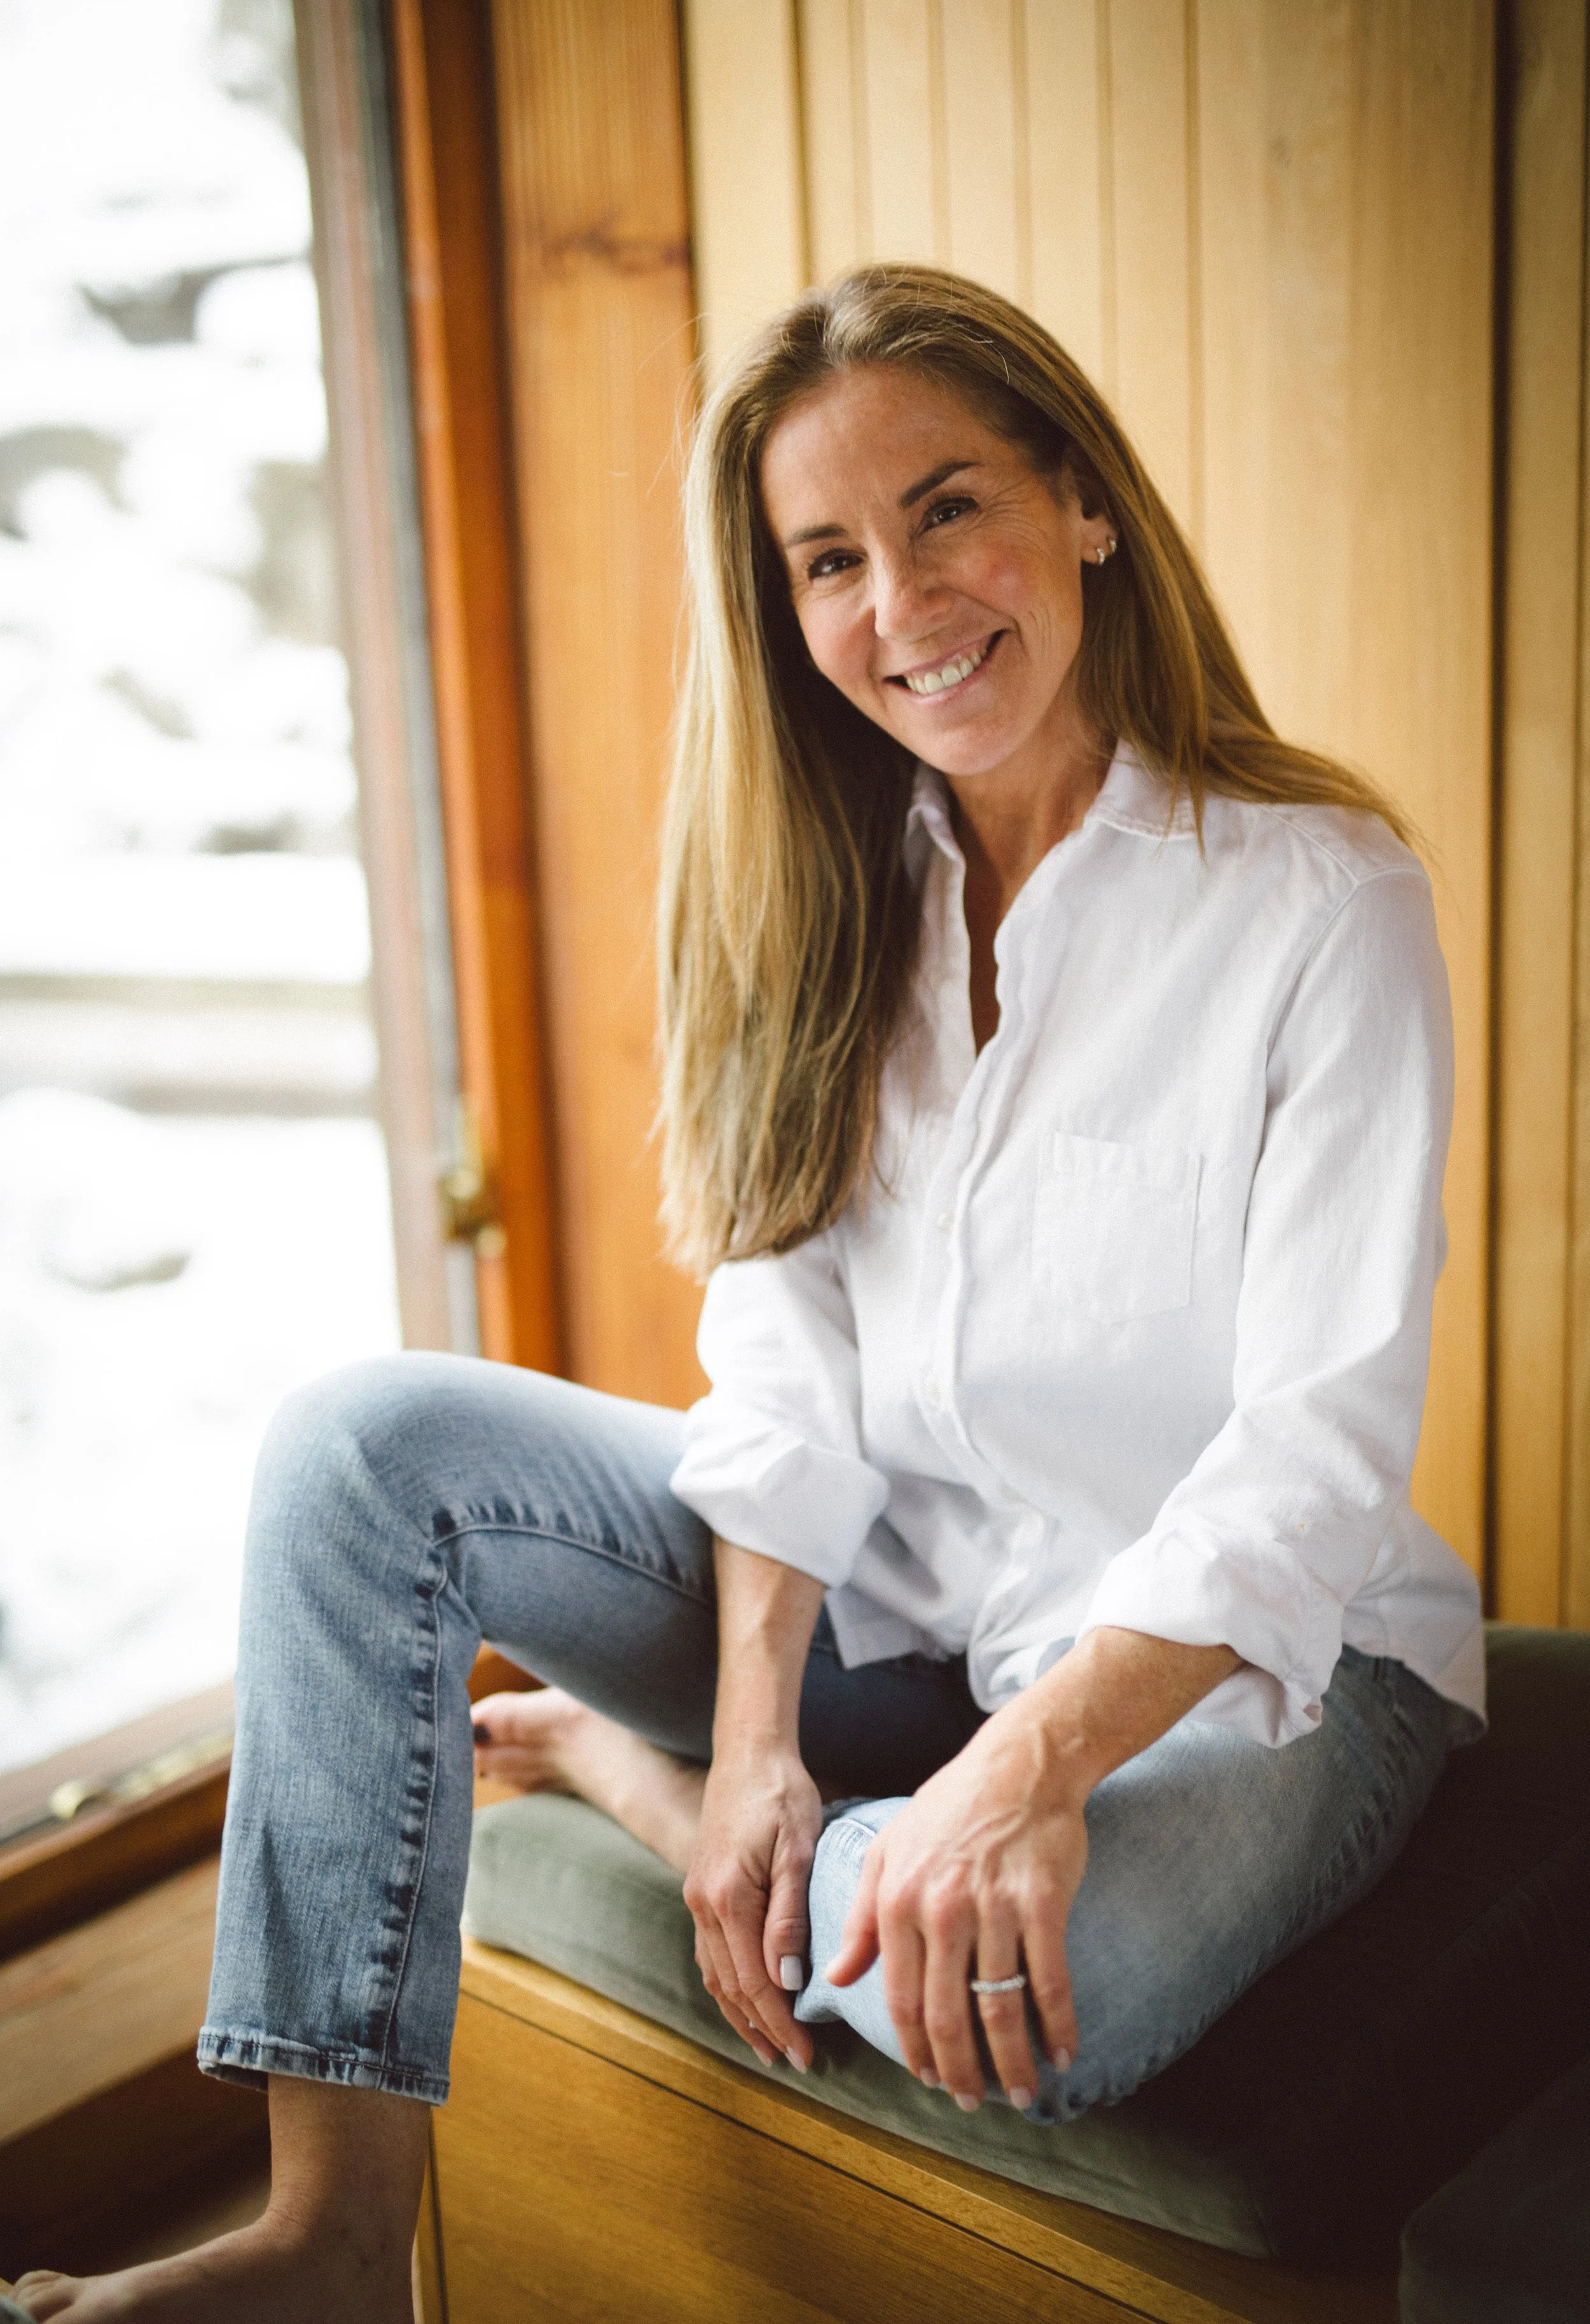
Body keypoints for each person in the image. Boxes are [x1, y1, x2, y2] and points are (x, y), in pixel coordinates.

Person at [8, 264, 1483, 2323]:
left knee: (1032, 2017)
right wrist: (770, 1733)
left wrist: (1017, 1769)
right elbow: (785, 1353)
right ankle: (328, 2240)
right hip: (905, 1614)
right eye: (828, 559)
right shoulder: (829, 886)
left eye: (948, 507)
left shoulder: (1322, 897)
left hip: (1262, 1671)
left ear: (1080, 501)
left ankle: (624, 1778)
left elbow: (1314, 1452)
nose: (902, 602)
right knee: (361, 1450)